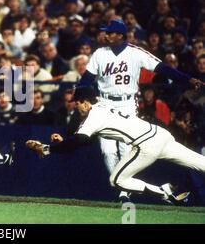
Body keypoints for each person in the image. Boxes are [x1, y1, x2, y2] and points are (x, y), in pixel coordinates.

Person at [78, 19, 203, 203]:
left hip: (127, 104)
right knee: (107, 151)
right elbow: (85, 80)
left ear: (120, 35)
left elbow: (163, 68)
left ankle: (123, 193)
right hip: (104, 103)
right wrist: (80, 100)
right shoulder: (99, 54)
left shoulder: (135, 53)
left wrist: (186, 80)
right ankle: (123, 187)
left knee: (127, 147)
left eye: (110, 32)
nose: (105, 35)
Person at [26, 87, 205, 204]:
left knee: (116, 180)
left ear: (86, 102)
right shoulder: (104, 106)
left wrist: (49, 148)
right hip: (161, 135)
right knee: (199, 162)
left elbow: (80, 140)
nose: (76, 107)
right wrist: (63, 143)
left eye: (78, 103)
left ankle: (164, 192)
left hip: (146, 143)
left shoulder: (93, 115)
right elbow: (85, 140)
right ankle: (165, 192)